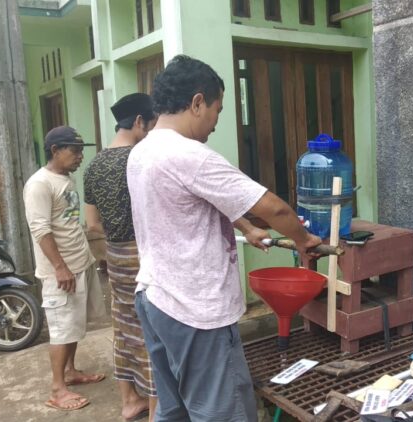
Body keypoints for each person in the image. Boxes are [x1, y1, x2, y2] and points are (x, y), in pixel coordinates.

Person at [127, 54, 322, 421]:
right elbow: (275, 209)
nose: (216, 122)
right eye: (217, 110)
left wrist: (246, 227)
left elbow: (190, 204)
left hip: (155, 297)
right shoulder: (190, 155)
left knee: (174, 408)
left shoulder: (142, 152)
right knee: (221, 411)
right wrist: (302, 239)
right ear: (197, 102)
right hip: (194, 308)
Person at [83, 93, 158, 421]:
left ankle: (129, 400)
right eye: (151, 124)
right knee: (152, 327)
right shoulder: (140, 159)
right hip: (144, 254)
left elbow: (92, 224)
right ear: (139, 121)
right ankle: (157, 409)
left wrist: (116, 238)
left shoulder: (94, 165)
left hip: (115, 255)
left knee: (125, 324)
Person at [23, 126, 106, 411]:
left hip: (79, 264)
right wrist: (60, 267)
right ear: (55, 150)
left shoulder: (66, 179)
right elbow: (40, 229)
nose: (80, 156)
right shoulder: (39, 184)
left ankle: (70, 372)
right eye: (75, 150)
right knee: (61, 329)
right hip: (60, 272)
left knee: (73, 325)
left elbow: (68, 222)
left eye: (82, 150)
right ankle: (57, 390)